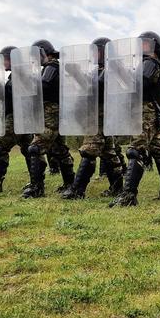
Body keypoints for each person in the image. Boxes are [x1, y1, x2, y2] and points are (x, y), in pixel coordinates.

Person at [109, 31, 160, 207]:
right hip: (145, 112)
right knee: (159, 153)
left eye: (145, 43)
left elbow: (141, 84)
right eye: (140, 43)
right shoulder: (144, 65)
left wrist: (122, 71)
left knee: (135, 150)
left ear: (154, 46)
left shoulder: (151, 63)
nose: (141, 46)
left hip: (146, 112)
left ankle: (129, 195)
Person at [61, 37, 125, 200]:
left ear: (105, 52)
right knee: (108, 153)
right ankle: (117, 188)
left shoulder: (113, 68)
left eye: (96, 51)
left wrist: (77, 74)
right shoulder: (97, 69)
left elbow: (95, 87)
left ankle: (77, 190)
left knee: (89, 150)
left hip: (100, 116)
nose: (93, 55)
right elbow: (88, 88)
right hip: (94, 115)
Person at [21, 40, 75, 198]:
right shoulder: (52, 68)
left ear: (44, 53)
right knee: (59, 150)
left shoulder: (52, 67)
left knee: (35, 148)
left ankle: (37, 187)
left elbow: (43, 86)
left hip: (52, 114)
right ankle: (70, 183)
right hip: (55, 114)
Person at [0, 46, 33, 195]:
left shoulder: (21, 75)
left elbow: (15, 95)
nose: (3, 63)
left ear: (12, 60)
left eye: (5, 59)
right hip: (19, 117)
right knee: (28, 149)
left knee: (0, 148)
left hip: (17, 117)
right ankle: (36, 183)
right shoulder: (16, 75)